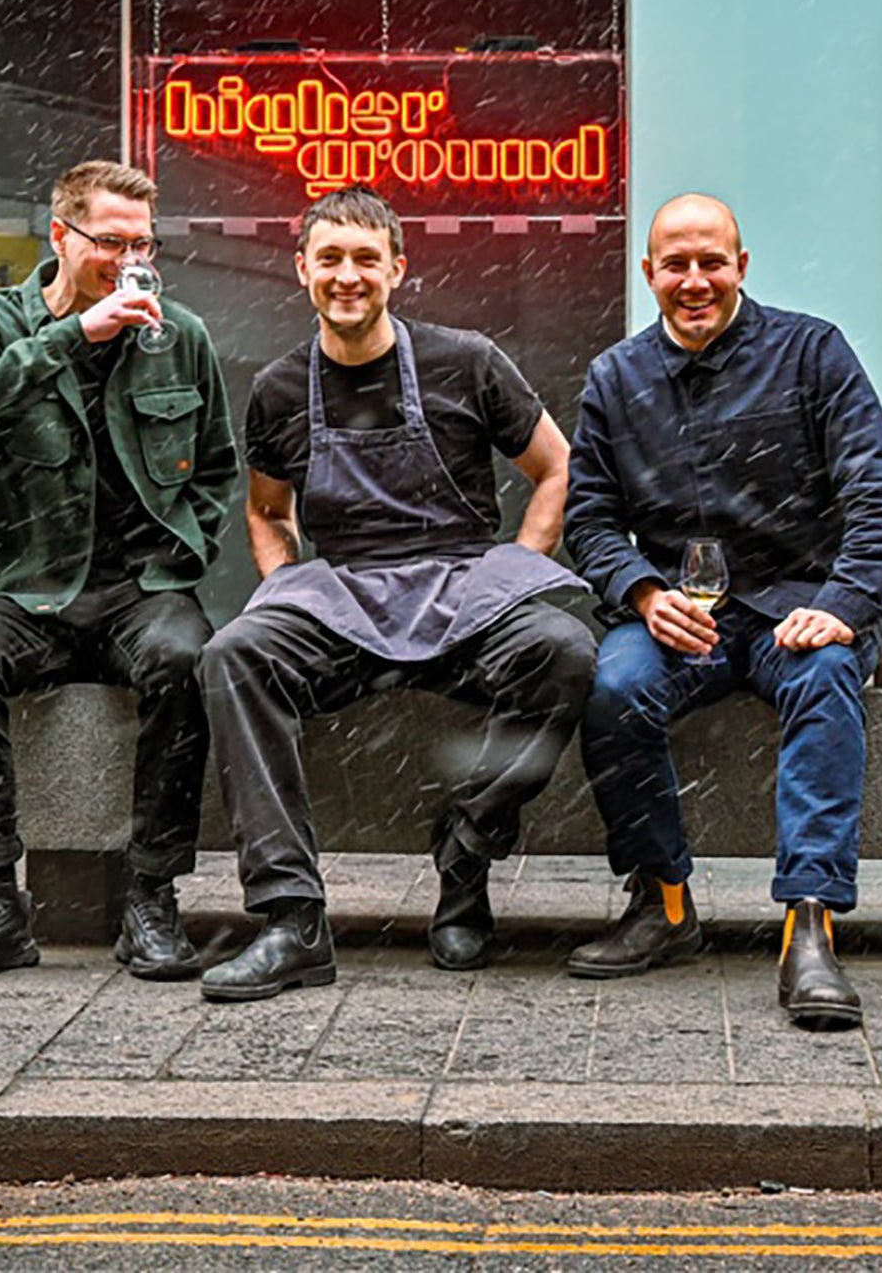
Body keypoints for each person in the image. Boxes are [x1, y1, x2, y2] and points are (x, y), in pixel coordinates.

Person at [197, 184, 596, 1002]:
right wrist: (292, 591)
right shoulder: (278, 388)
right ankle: (290, 919)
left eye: (366, 259)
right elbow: (267, 511)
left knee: (566, 652)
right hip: (343, 599)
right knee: (233, 655)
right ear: (302, 267)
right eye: (331, 258)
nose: (349, 275)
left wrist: (514, 570)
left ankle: (467, 850)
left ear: (398, 270)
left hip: (463, 589)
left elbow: (556, 465)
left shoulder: (469, 361)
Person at [563, 192, 882, 1029]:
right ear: (649, 273)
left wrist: (842, 607)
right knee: (611, 689)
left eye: (711, 261)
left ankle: (810, 925)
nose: (695, 280)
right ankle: (664, 904)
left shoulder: (813, 353)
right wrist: (643, 594)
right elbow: (587, 520)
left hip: (799, 609)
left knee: (828, 677)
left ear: (742, 267)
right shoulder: (616, 379)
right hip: (680, 617)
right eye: (676, 265)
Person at [0, 160, 238, 985]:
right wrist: (73, 335)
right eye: (111, 243)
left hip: (141, 590)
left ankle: (152, 895)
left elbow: (219, 470)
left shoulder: (179, 335)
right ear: (61, 234)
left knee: (184, 659)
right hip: (32, 587)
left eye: (143, 244)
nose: (131, 262)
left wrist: (185, 552)